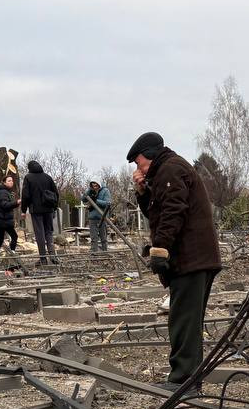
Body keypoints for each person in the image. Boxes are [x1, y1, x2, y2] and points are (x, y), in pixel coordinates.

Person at [126, 131, 221, 392]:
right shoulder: (168, 171)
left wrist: (160, 250)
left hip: (192, 258)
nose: (138, 168)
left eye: (138, 162)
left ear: (150, 156)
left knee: (183, 321)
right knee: (186, 320)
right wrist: (143, 192)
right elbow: (157, 211)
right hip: (194, 258)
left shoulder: (170, 170)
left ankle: (184, 382)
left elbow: (172, 212)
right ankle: (188, 379)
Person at [21, 160, 60, 265]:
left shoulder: (28, 178)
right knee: (49, 232)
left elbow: (25, 195)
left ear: (29, 168)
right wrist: (54, 207)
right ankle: (53, 256)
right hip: (48, 209)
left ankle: (43, 258)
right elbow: (56, 193)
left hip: (36, 210)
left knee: (40, 233)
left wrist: (23, 210)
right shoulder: (48, 177)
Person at [81, 180, 112, 252]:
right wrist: (89, 190)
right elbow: (83, 199)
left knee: (103, 238)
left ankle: (105, 252)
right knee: (93, 238)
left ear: (99, 184)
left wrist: (96, 201)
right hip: (92, 218)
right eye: (92, 184)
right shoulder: (91, 191)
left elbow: (107, 203)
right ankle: (94, 253)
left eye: (96, 184)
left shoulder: (105, 191)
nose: (94, 186)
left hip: (102, 217)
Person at [0, 174, 19, 255]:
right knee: (14, 237)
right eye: (9, 181)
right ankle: (12, 252)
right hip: (3, 220)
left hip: (3, 220)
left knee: (0, 239)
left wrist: (16, 203)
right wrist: (16, 202)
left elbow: (9, 204)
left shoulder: (6, 192)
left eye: (12, 181)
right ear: (4, 183)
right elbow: (5, 205)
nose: (11, 182)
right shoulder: (3, 192)